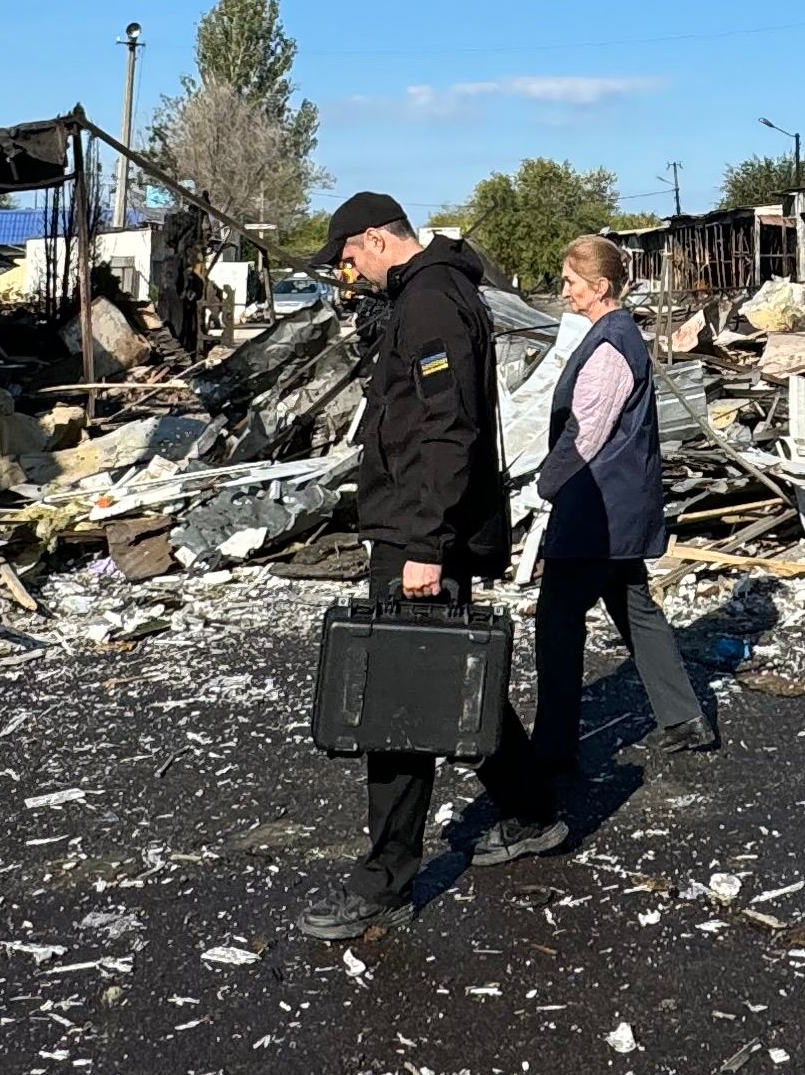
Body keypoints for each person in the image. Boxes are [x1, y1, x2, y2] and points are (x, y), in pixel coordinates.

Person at [300, 192, 565, 939]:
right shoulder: (430, 294)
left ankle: (384, 881)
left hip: (421, 532)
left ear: (376, 239)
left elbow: (449, 429)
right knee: (450, 675)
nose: (349, 272)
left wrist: (425, 545)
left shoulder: (431, 304)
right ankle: (532, 811)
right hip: (418, 524)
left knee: (399, 699)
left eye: (348, 258)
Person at [529, 233, 711, 781]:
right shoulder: (616, 334)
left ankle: (553, 747)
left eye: (571, 282)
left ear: (600, 286)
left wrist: (545, 483)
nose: (565, 291)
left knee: (557, 621)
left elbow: (587, 432)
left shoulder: (611, 343)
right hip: (619, 506)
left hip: (598, 509)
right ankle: (685, 719)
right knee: (634, 607)